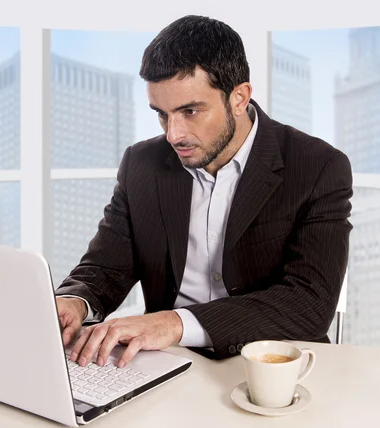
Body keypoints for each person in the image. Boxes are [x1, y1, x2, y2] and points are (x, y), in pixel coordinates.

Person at [54, 15, 353, 368]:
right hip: (166, 362)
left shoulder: (318, 167)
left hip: (273, 364)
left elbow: (308, 303)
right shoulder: (142, 164)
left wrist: (175, 323)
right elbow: (105, 267)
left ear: (239, 98)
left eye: (190, 111)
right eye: (162, 114)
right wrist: (75, 301)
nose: (173, 134)